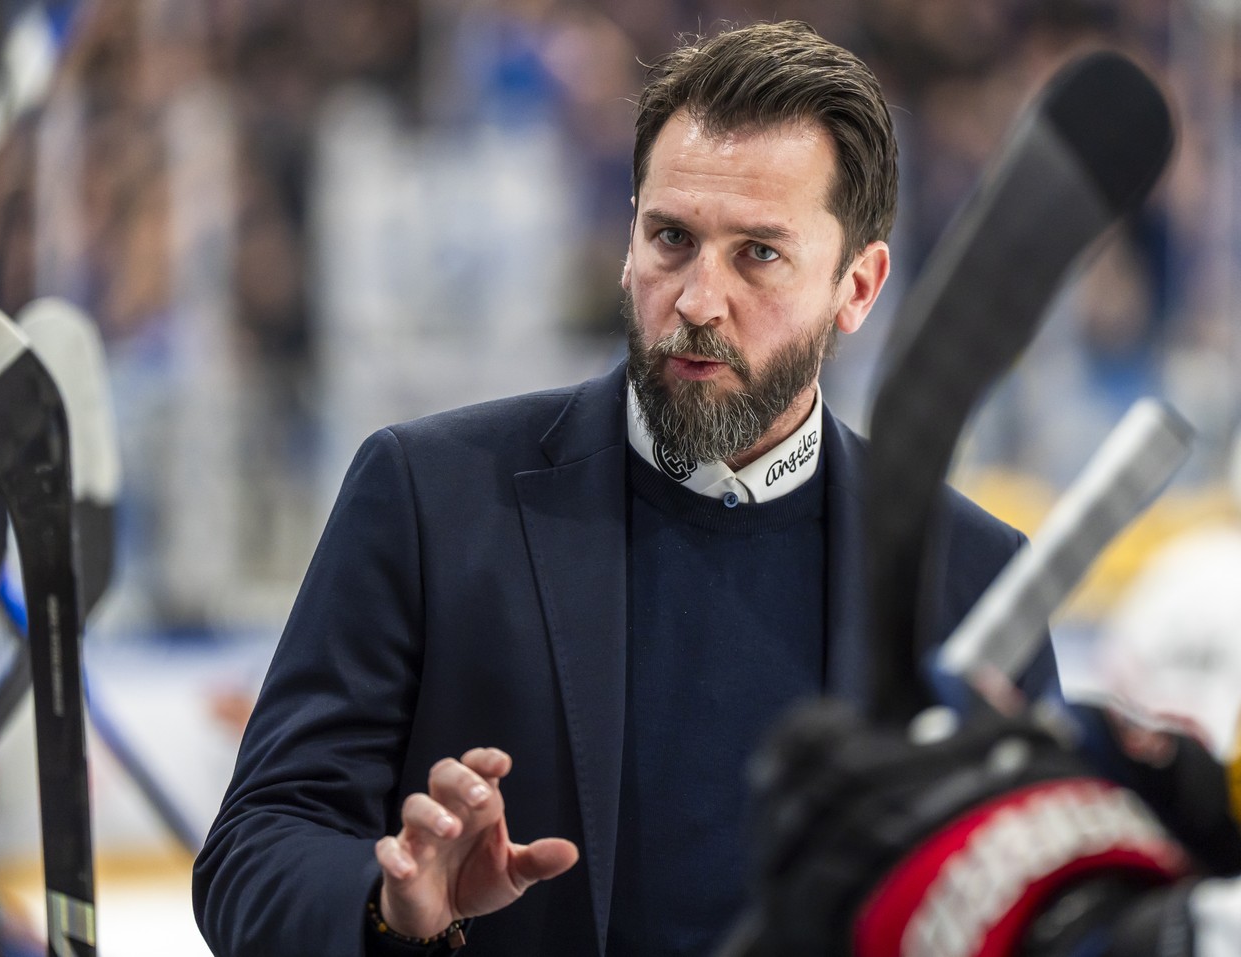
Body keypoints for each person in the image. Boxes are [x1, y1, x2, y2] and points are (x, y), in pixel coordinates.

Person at [193, 20, 1059, 957]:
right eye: (672, 238)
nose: (695, 299)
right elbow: (255, 848)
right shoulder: (431, 498)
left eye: (758, 254)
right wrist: (387, 906)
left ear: (858, 285)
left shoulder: (969, 576)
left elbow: (1038, 908)